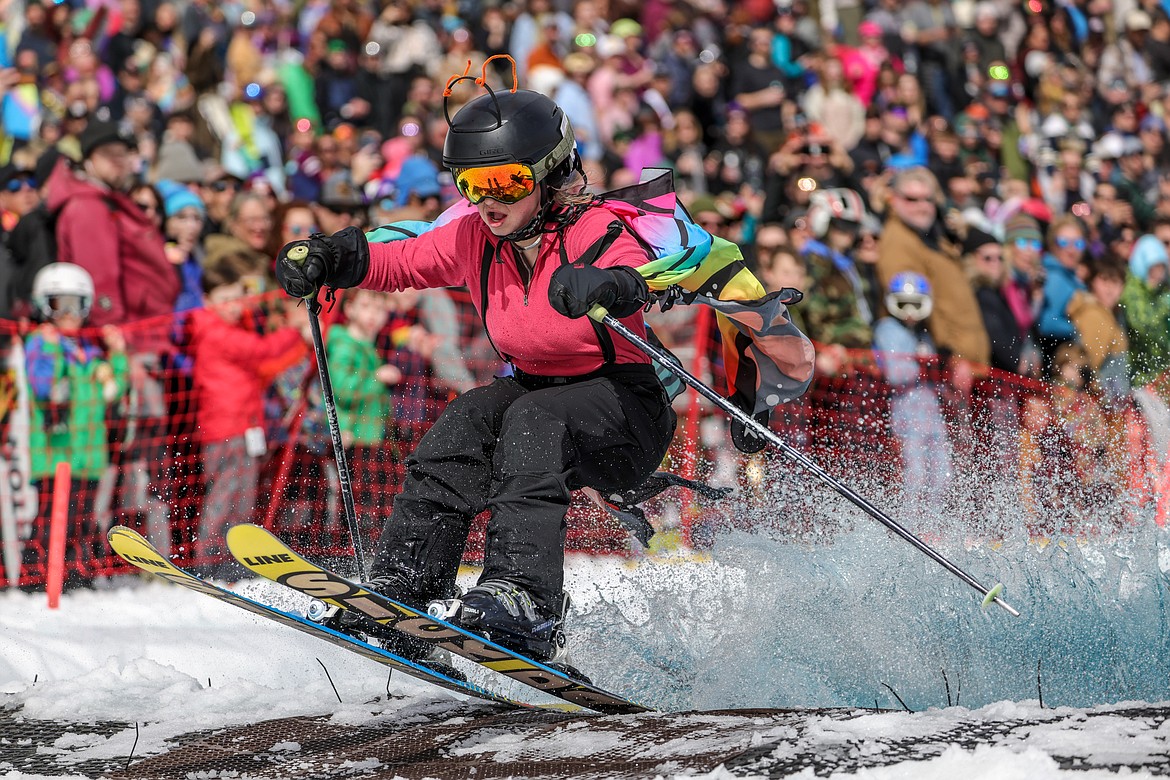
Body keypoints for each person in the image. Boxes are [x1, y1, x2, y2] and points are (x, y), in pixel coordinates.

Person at [274, 84, 676, 662]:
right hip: (535, 398)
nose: (486, 199)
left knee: (534, 418)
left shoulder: (601, 229)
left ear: (549, 174)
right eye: (470, 183)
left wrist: (618, 282)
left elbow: (675, 263)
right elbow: (401, 259)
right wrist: (331, 258)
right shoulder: (476, 238)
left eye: (506, 181)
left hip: (625, 410)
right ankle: (407, 583)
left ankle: (525, 598)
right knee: (462, 424)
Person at [188, 253, 306, 575]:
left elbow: (263, 363)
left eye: (238, 297)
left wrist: (297, 346)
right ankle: (208, 560)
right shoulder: (213, 331)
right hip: (226, 429)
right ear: (207, 299)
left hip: (246, 426)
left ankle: (231, 557)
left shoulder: (234, 327)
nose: (234, 305)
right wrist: (295, 332)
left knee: (242, 497)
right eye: (225, 299)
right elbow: (259, 351)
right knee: (224, 497)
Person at [19, 263, 128, 589]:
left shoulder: (90, 353)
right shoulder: (40, 345)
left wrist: (118, 356)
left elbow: (112, 392)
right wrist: (51, 345)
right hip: (55, 456)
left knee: (81, 521)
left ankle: (77, 574)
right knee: (52, 520)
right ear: (44, 306)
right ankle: (37, 576)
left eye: (75, 303)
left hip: (89, 457)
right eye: (58, 303)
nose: (67, 313)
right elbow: (43, 387)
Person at [43, 120, 179, 343]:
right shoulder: (89, 207)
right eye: (108, 154)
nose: (118, 161)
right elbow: (100, 278)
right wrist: (114, 335)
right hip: (123, 339)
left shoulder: (104, 199)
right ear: (88, 160)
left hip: (143, 329)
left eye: (123, 153)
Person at [873, 271, 953, 519]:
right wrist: (923, 365)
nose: (909, 311)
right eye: (903, 303)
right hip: (906, 413)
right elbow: (895, 373)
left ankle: (935, 520)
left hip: (930, 413)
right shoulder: (886, 329)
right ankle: (910, 521)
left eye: (915, 305)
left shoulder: (924, 333)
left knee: (943, 471)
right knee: (915, 472)